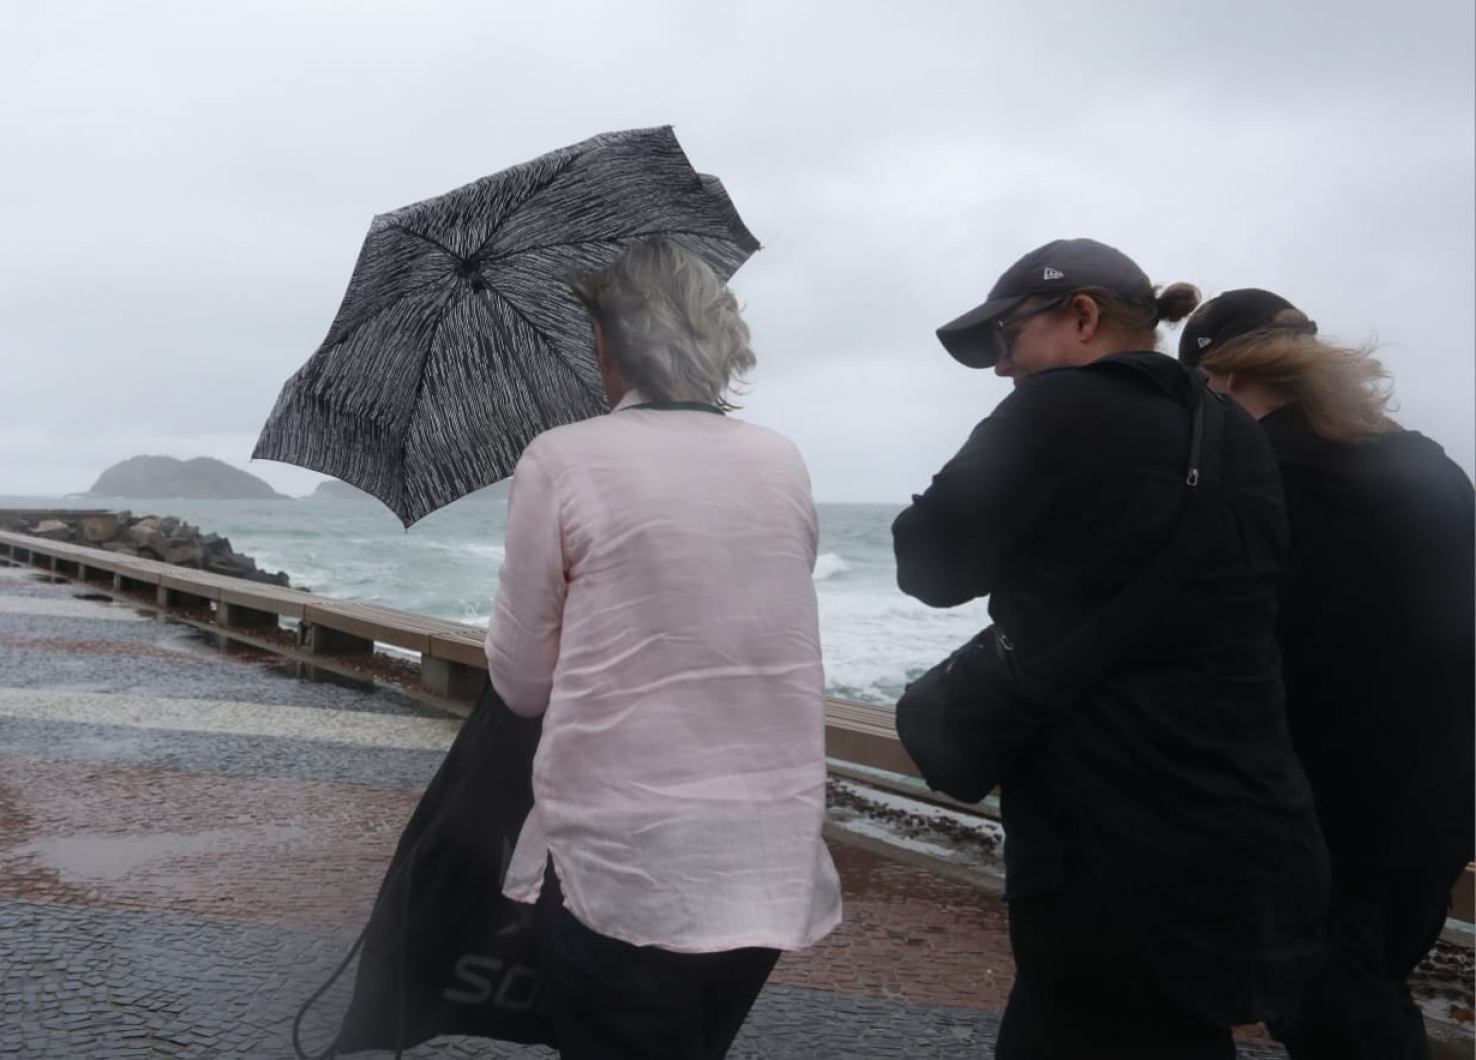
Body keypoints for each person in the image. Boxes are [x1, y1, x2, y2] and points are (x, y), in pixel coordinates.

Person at [894, 238, 1328, 1059]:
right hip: (1235, 811)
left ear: (1082, 315)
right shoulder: (1235, 431)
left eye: (1007, 338)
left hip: (1103, 828)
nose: (1000, 367)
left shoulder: (1057, 409)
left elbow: (928, 564)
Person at [483, 237, 843, 1060]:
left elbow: (523, 682)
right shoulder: (780, 458)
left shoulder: (562, 456)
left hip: (626, 866)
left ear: (613, 340)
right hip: (765, 859)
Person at [1181, 289, 1475, 1060]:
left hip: (1321, 799)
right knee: (1368, 979)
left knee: (1336, 1010)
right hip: (1438, 789)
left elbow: (1226, 644)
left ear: (1225, 377)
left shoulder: (1257, 477)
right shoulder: (1432, 466)